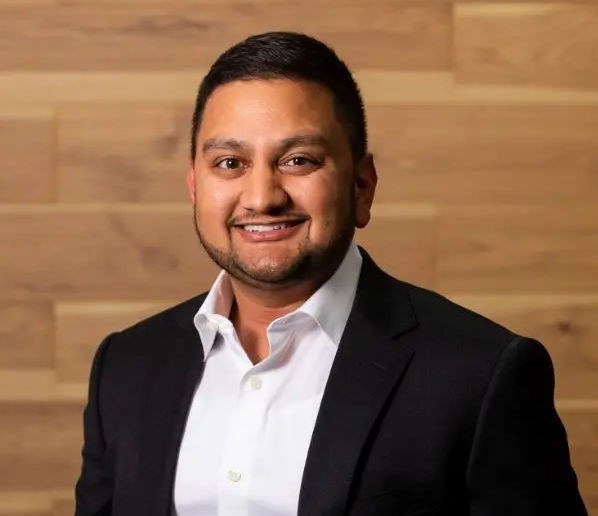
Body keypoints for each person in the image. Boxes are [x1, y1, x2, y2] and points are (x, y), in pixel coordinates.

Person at [75, 32, 587, 516]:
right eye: (230, 163)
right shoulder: (126, 365)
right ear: (194, 187)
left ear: (362, 186)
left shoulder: (480, 373)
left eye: (298, 160)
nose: (261, 197)